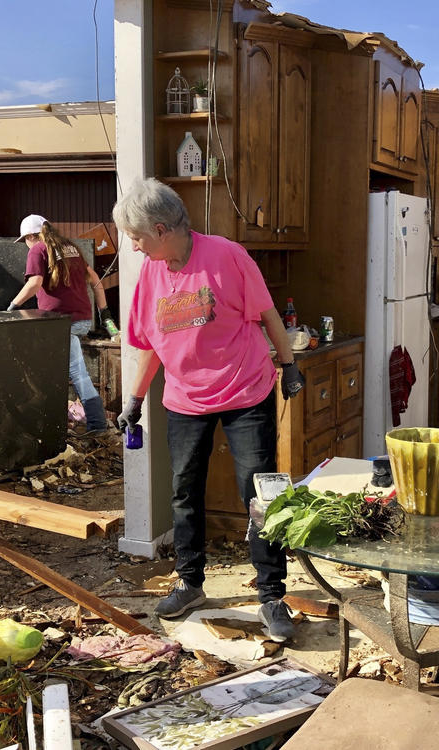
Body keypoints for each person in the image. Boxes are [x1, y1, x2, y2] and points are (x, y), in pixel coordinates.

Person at [113, 178, 305, 642]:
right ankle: (190, 582)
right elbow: (151, 347)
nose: (133, 248)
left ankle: (272, 595)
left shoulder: (228, 256)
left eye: (136, 238)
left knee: (261, 492)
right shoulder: (150, 276)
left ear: (160, 230)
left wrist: (289, 364)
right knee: (184, 490)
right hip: (184, 399)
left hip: (246, 390)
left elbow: (267, 316)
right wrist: (134, 400)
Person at [8, 214, 113, 432]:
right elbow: (95, 280)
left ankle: (96, 423)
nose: (26, 245)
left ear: (31, 236)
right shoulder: (70, 247)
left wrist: (13, 306)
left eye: (25, 240)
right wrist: (105, 313)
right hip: (82, 319)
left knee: (76, 372)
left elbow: (35, 283)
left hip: (58, 322)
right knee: (54, 369)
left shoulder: (38, 249)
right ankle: (59, 420)